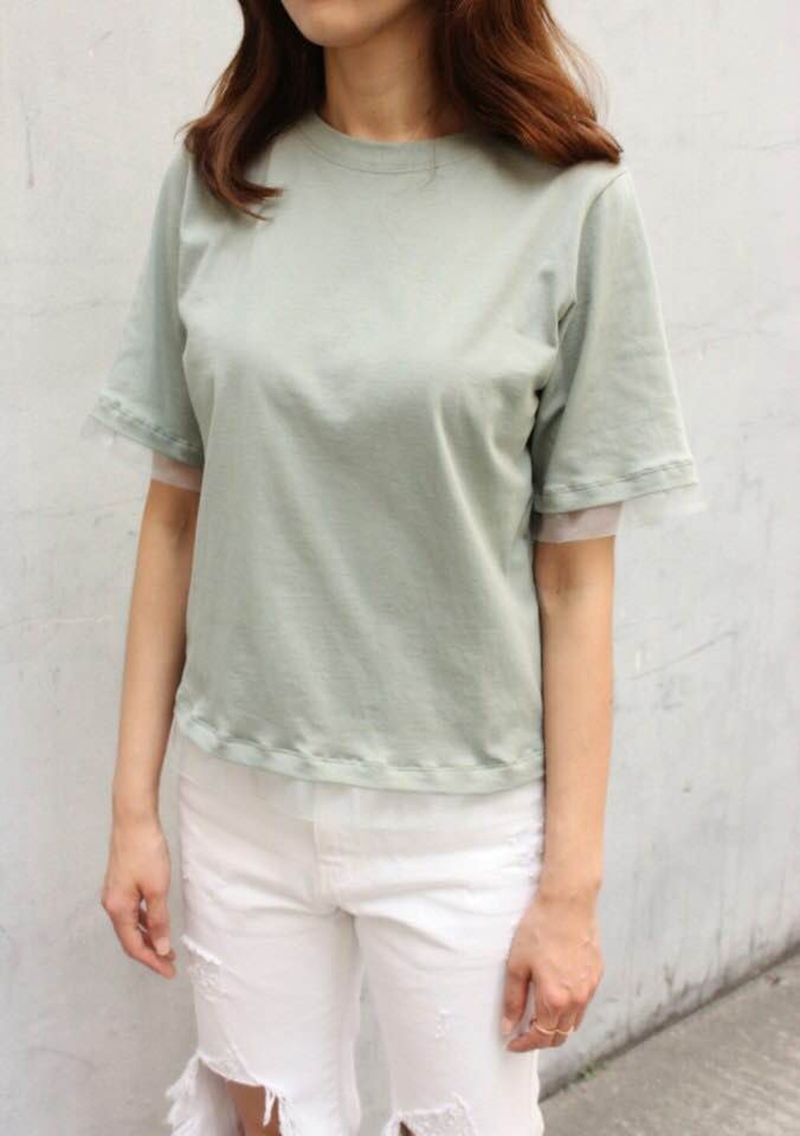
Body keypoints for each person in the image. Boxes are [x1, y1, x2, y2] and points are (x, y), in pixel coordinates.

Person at [80, 1, 706, 1133]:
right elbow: (174, 516)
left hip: (462, 818)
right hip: (239, 796)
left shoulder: (571, 205)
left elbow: (575, 582)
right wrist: (133, 809)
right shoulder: (217, 180)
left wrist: (570, 890)